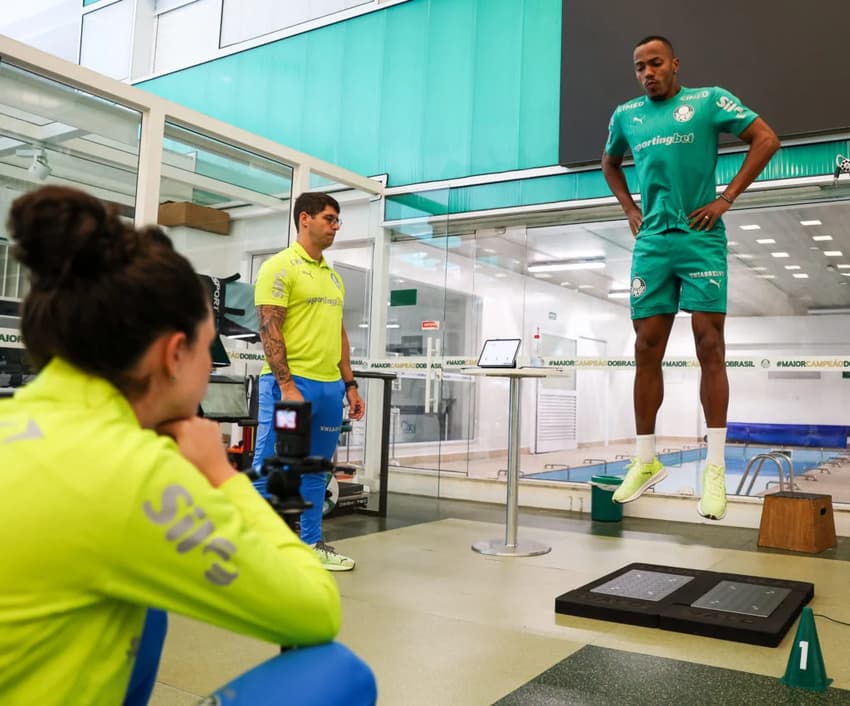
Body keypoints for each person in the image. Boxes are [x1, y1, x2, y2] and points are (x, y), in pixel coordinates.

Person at [0, 186, 376, 706]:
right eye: (208, 351)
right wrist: (222, 477)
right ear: (174, 354)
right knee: (340, 673)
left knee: (143, 606)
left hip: (326, 385)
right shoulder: (133, 472)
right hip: (294, 389)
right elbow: (315, 609)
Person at [601, 36, 780, 520]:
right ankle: (645, 459)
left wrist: (726, 199)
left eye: (655, 64)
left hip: (700, 236)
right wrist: (629, 207)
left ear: (675, 64)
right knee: (645, 347)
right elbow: (609, 163)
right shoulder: (626, 116)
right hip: (653, 241)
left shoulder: (707, 101)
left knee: (710, 344)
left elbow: (766, 138)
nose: (647, 73)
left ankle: (715, 468)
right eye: (639, 67)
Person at [252, 192, 365, 570]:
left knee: (317, 470)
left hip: (329, 389)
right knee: (271, 468)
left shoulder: (332, 275)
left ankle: (312, 544)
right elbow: (270, 327)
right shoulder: (279, 267)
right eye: (329, 219)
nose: (335, 226)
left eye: (337, 221)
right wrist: (286, 387)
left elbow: (339, 332)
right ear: (305, 219)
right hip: (291, 387)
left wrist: (350, 384)